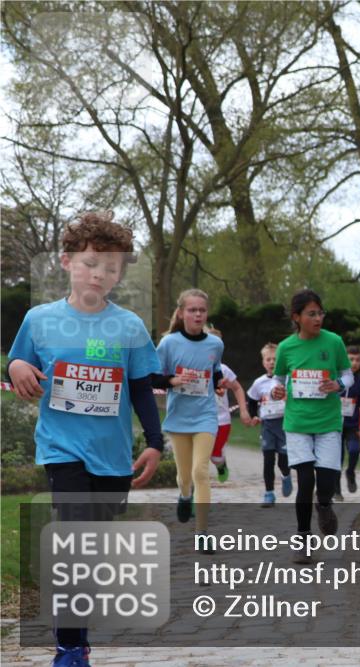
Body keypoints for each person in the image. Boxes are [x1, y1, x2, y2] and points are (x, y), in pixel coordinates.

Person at [6, 211, 164, 667]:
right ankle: (71, 647)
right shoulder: (40, 320)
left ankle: (77, 632)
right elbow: (17, 364)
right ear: (66, 262)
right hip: (62, 449)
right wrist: (16, 366)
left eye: (110, 268)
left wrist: (154, 443)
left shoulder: (129, 326)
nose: (99, 274)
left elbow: (141, 389)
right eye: (90, 263)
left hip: (111, 457)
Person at [271, 289, 353, 563]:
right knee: (305, 482)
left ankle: (325, 504)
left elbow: (348, 375)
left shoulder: (334, 342)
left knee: (326, 483)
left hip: (328, 421)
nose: (318, 318)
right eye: (312, 314)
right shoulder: (286, 347)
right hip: (297, 422)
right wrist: (276, 390)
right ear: (297, 317)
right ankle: (303, 540)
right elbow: (278, 379)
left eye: (320, 313)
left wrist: (338, 385)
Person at [155, 289, 227, 553]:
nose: (198, 314)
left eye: (202, 310)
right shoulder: (169, 344)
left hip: (205, 416)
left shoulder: (215, 344)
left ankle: (202, 532)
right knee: (184, 477)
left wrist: (218, 383)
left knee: (200, 472)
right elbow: (153, 376)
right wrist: (173, 380)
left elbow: (215, 370)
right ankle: (185, 496)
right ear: (181, 313)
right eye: (192, 310)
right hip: (178, 418)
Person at [247, 343, 293, 507]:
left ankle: (286, 475)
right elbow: (252, 400)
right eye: (268, 359)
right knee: (268, 460)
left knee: (283, 461)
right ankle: (269, 493)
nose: (272, 362)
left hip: (284, 424)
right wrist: (254, 415)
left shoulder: (287, 379)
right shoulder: (259, 382)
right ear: (263, 362)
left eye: (275, 359)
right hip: (267, 425)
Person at [204, 327, 251, 483]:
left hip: (222, 420)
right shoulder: (197, 368)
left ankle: (221, 464)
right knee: (201, 454)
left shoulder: (224, 370)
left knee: (215, 456)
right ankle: (198, 483)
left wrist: (243, 410)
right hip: (202, 419)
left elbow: (237, 388)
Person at [336, 346, 360, 495]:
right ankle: (336, 489)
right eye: (351, 359)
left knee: (355, 450)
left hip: (352, 424)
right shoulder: (336, 377)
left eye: (358, 360)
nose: (355, 363)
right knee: (338, 458)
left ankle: (350, 472)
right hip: (335, 424)